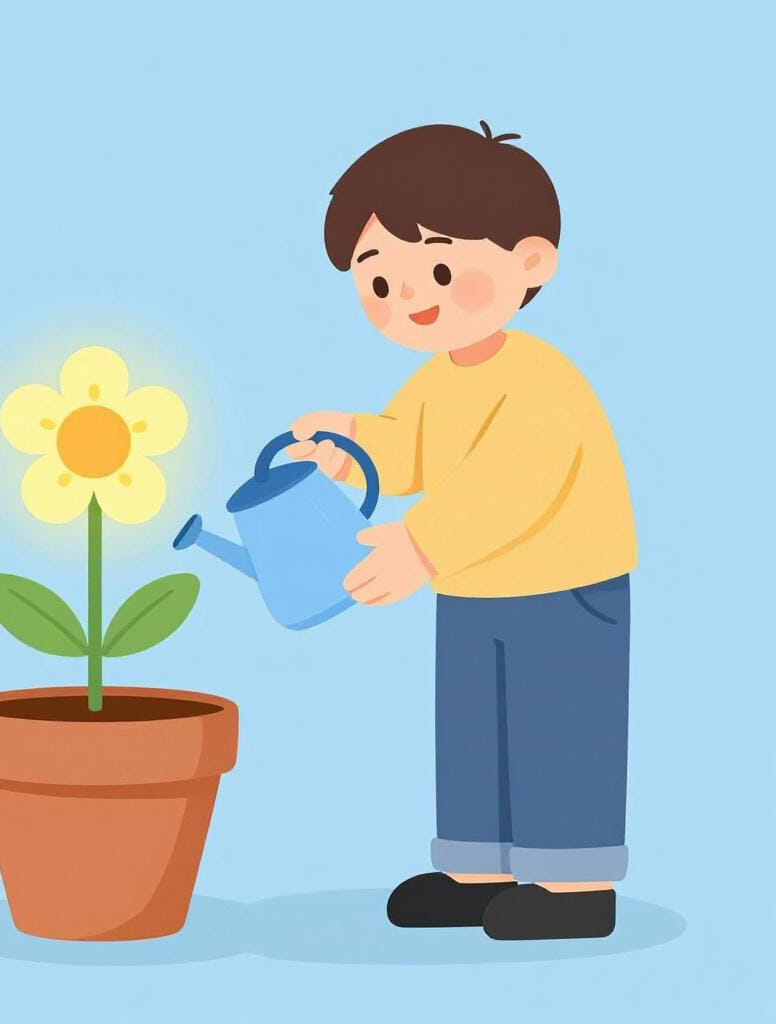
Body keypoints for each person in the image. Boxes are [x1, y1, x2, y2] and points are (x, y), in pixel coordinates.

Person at [289, 122, 636, 940]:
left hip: (565, 589)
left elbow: (514, 478)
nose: (410, 298)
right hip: (476, 588)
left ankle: (575, 886)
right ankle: (477, 868)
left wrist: (421, 543)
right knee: (474, 731)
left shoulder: (543, 381)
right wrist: (348, 443)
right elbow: (411, 443)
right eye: (378, 282)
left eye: (439, 268)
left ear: (531, 263)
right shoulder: (436, 376)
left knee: (557, 727)